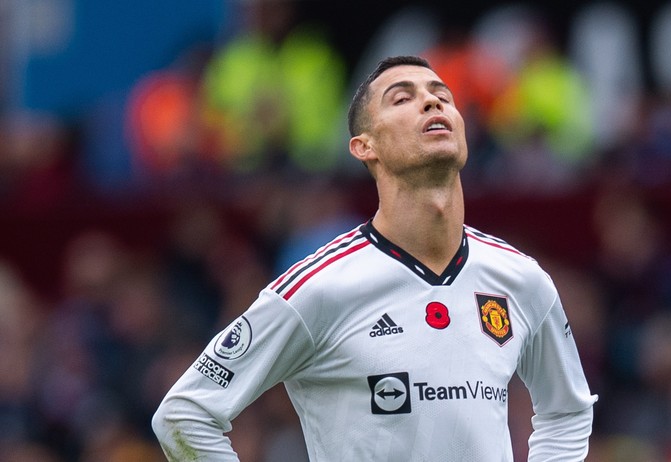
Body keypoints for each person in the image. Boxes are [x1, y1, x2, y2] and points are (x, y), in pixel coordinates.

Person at [152, 55, 598, 461]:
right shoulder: (321, 288)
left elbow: (568, 413)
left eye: (442, 96)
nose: (431, 103)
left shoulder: (520, 279)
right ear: (365, 147)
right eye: (403, 98)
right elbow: (184, 413)